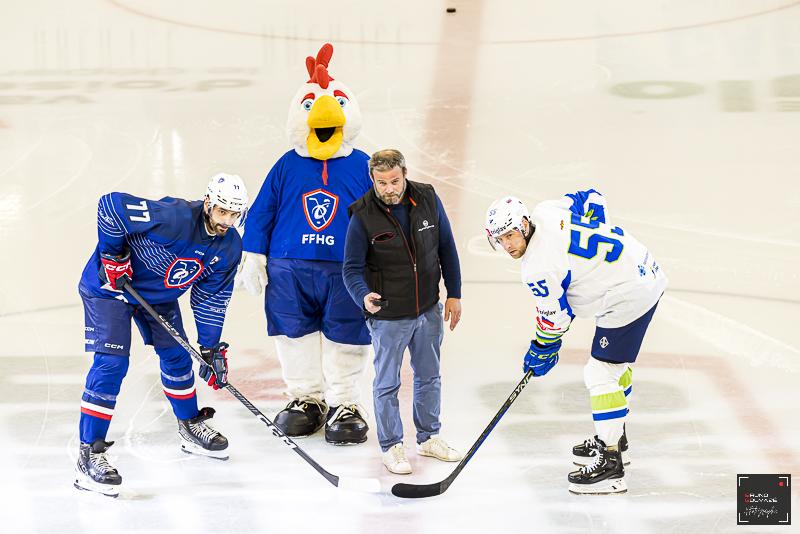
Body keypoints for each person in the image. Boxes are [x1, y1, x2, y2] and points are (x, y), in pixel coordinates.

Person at [74, 173, 248, 497]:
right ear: (208, 203)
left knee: (178, 357)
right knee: (111, 365)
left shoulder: (230, 248)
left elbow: (211, 298)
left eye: (234, 214)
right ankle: (89, 453)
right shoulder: (174, 217)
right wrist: (113, 257)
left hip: (157, 295)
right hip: (110, 289)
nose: (227, 220)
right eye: (222, 211)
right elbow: (110, 206)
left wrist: (210, 349)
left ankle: (189, 425)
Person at [484, 189, 667, 494]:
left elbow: (555, 318)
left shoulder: (537, 267)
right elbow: (592, 197)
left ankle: (611, 463)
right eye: (500, 239)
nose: (507, 245)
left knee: (600, 372)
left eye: (511, 235)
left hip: (629, 293)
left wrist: (542, 348)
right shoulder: (547, 210)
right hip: (642, 267)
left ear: (525, 224)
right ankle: (615, 436)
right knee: (614, 367)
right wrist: (598, 255)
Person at [237, 43, 373, 445]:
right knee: (293, 335)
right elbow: (261, 211)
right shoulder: (286, 164)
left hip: (345, 270)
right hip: (289, 270)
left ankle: (344, 402)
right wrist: (254, 255)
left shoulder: (363, 165)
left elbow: (381, 220)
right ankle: (305, 399)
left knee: (346, 333)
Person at [343, 149, 463, 475]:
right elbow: (351, 269)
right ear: (373, 180)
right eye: (381, 183)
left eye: (395, 181)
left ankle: (428, 437)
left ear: (405, 173)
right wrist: (362, 295)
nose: (389, 188)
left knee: (429, 377)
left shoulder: (427, 198)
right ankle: (391, 446)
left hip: (428, 310)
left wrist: (454, 294)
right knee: (386, 384)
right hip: (388, 317)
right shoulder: (362, 216)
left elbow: (447, 247)